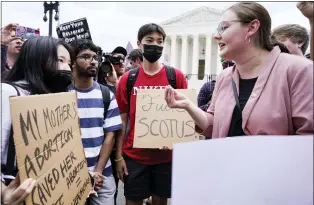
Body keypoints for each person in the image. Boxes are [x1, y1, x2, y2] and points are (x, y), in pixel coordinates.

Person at [164, 2, 313, 138]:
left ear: (252, 27)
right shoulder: (224, 77)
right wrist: (188, 105)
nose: (216, 36)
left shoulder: (298, 70)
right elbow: (214, 126)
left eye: (223, 27)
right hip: (227, 165)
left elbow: (307, 139)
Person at [115, 23, 188, 205]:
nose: (155, 44)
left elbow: (184, 115)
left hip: (166, 157)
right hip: (134, 156)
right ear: (139, 44)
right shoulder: (127, 79)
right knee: (132, 201)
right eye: (150, 40)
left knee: (160, 200)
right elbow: (122, 122)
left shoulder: (176, 76)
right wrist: (118, 156)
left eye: (159, 41)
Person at [1, 36, 73, 205]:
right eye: (60, 60)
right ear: (37, 59)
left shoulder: (51, 98)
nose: (67, 68)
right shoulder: (7, 93)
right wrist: (4, 194)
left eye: (69, 63)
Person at [69, 39, 123, 205]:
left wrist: (98, 172)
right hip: (71, 176)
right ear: (73, 63)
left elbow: (110, 136)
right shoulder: (62, 94)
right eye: (85, 56)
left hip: (103, 176)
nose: (92, 61)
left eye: (95, 57)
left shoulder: (106, 95)